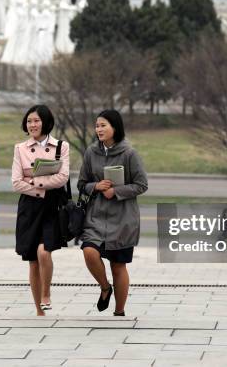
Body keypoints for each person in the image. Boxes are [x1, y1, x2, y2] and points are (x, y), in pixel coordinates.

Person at [77, 109, 148, 317]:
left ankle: (119, 312)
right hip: (96, 217)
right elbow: (81, 183)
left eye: (103, 125)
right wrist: (96, 186)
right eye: (97, 125)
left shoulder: (130, 154)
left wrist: (115, 191)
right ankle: (105, 287)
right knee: (89, 251)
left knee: (118, 265)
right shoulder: (91, 152)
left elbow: (141, 185)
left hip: (123, 220)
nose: (99, 129)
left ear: (115, 127)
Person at [11, 105, 69, 316]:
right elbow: (16, 183)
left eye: (36, 120)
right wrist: (44, 183)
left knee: (44, 252)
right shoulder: (20, 148)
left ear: (45, 122)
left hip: (52, 207)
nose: (32, 125)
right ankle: (39, 310)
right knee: (32, 261)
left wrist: (34, 181)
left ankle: (46, 293)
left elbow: (63, 178)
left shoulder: (60, 146)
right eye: (29, 121)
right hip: (29, 209)